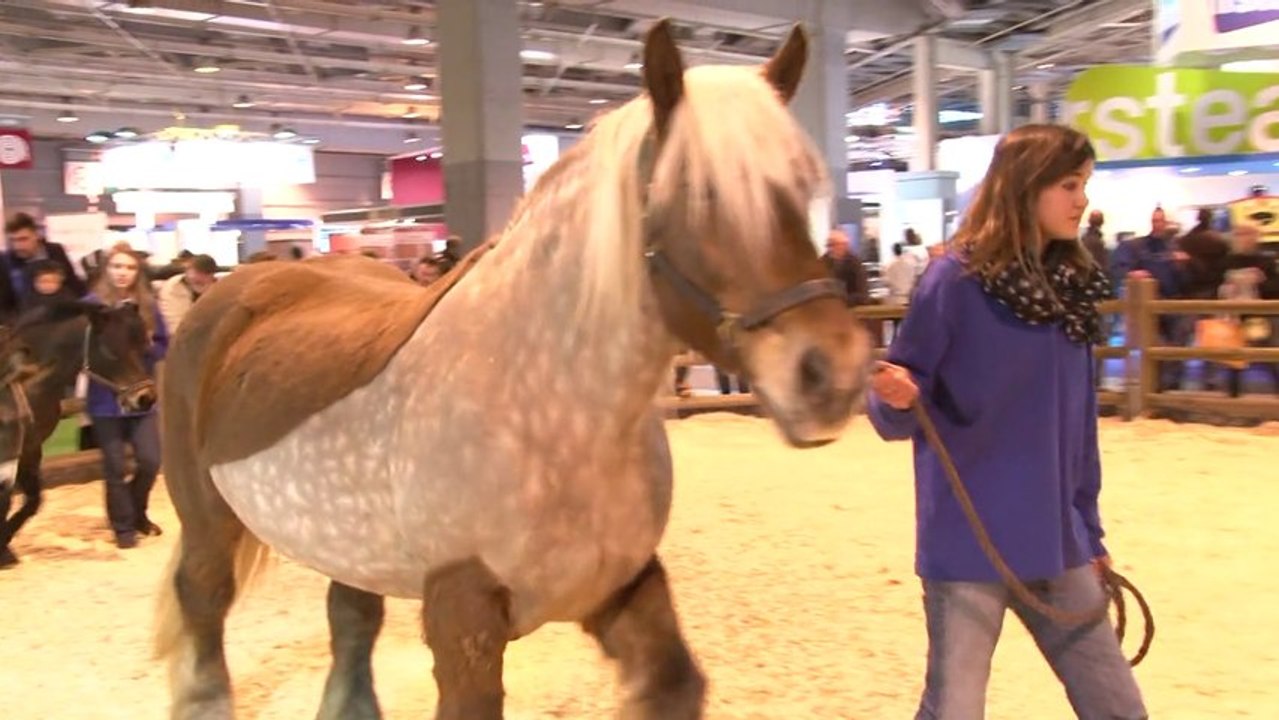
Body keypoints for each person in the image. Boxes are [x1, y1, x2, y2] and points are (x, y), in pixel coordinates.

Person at [867, 124, 1146, 720]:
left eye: (1085, 184)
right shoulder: (953, 282)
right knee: (955, 710)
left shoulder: (1070, 289)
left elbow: (1079, 431)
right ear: (1025, 185)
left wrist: (1090, 532)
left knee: (1119, 708)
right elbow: (898, 406)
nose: (1082, 200)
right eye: (1069, 185)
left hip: (1059, 539)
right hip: (970, 541)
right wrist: (894, 397)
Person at [85, 243, 168, 549]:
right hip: (105, 399)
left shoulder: (147, 306)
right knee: (115, 466)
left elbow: (164, 343)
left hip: (141, 396)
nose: (123, 273)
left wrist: (149, 347)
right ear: (107, 269)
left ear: (138, 273)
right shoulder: (93, 306)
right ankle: (123, 527)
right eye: (117, 266)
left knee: (150, 460)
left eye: (130, 267)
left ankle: (137, 512)